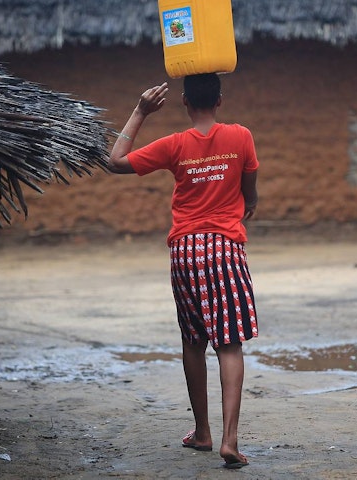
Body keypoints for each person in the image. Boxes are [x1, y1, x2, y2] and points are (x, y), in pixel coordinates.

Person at [107, 73, 259, 469]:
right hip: (224, 249)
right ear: (220, 100)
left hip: (186, 252)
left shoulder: (175, 145)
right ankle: (229, 440)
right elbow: (251, 192)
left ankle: (202, 433)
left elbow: (116, 162)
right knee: (230, 344)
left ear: (185, 103)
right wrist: (243, 207)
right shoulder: (241, 136)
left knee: (194, 342)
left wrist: (140, 111)